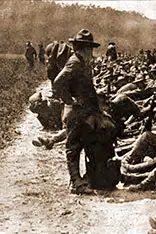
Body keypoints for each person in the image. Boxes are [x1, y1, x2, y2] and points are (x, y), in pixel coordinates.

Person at [52, 29, 117, 194]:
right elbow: (58, 82)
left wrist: (97, 110)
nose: (90, 52)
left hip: (86, 112)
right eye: (88, 48)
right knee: (73, 147)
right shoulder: (74, 62)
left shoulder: (82, 62)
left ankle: (87, 179)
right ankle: (76, 183)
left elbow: (89, 88)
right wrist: (70, 100)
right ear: (82, 48)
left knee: (87, 142)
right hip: (77, 112)